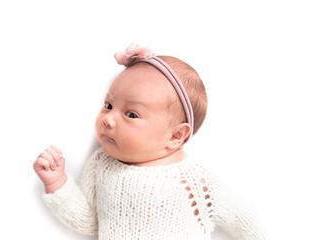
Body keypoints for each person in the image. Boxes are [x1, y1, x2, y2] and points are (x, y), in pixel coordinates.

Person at [33, 43, 264, 239]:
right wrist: (58, 184)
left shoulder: (196, 181)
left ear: (175, 137)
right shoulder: (101, 165)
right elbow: (87, 221)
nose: (108, 119)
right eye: (109, 105)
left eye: (131, 114)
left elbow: (249, 224)